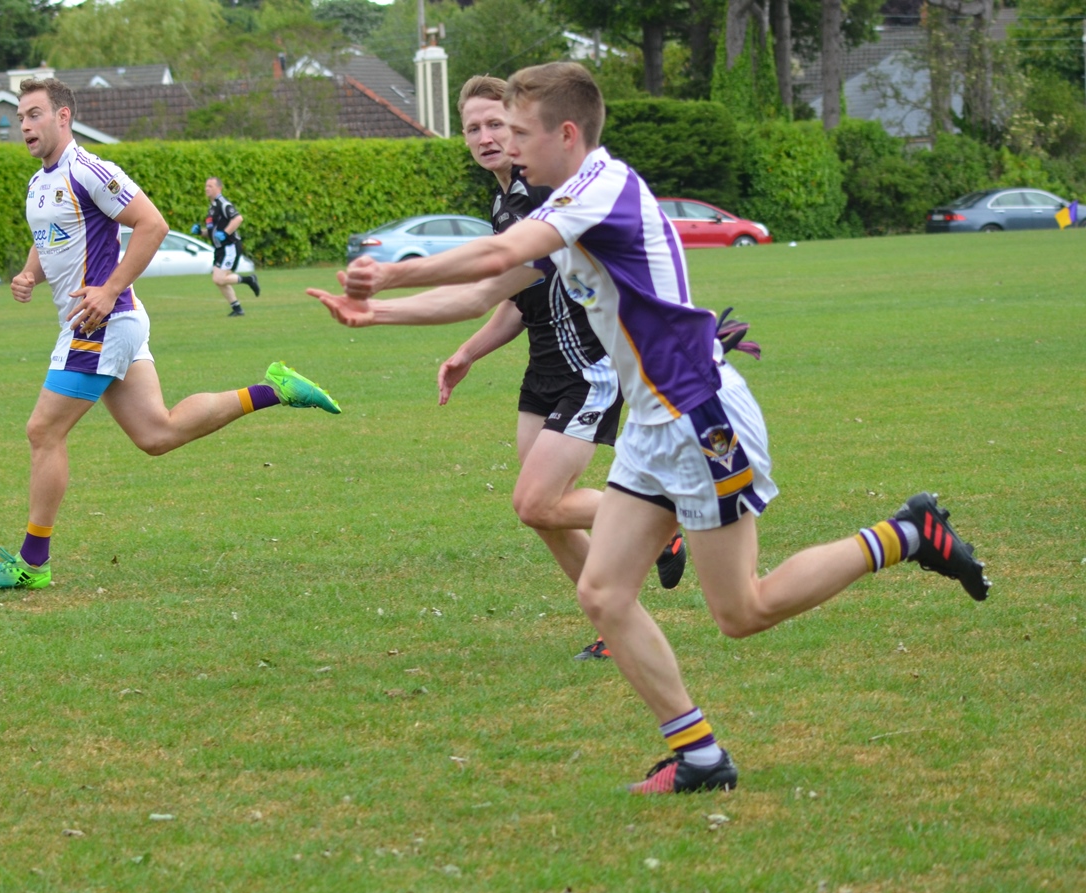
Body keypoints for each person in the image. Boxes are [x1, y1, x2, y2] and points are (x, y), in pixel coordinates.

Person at [316, 62, 990, 795]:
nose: (507, 146)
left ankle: (908, 534)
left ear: (565, 133)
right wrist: (375, 312)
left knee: (743, 611)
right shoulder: (561, 205)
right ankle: (700, 755)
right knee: (603, 594)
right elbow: (490, 288)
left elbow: (499, 254)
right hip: (651, 423)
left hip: (699, 416)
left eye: (517, 133)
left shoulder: (598, 188)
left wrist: (392, 272)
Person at [318, 74, 688, 663]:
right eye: (476, 128)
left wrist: (388, 278)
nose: (491, 138)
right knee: (544, 515)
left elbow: (490, 270)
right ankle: (615, 620)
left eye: (502, 126)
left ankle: (663, 512)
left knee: (537, 502)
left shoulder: (545, 193)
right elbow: (509, 297)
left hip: (588, 365)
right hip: (545, 362)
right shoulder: (507, 200)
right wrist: (421, 332)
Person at [0, 77, 340, 592]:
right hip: (112, 323)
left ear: (63, 116)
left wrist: (108, 289)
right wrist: (31, 272)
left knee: (42, 432)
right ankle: (275, 389)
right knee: (157, 435)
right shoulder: (39, 183)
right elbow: (49, 239)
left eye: (34, 114)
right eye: (21, 117)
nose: (25, 126)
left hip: (102, 323)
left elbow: (152, 225)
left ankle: (32, 563)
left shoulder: (90, 170)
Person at [201, 177, 260, 317]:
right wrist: (201, 232)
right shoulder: (212, 207)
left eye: (210, 186)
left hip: (229, 247)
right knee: (219, 280)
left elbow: (238, 218)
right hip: (220, 249)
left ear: (219, 188)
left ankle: (249, 279)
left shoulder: (223, 204)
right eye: (206, 186)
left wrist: (226, 233)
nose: (207, 188)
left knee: (219, 279)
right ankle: (237, 308)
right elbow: (213, 233)